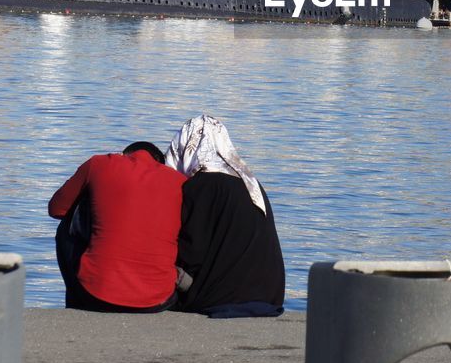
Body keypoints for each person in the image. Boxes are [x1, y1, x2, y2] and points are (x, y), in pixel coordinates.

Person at [166, 115, 285, 318]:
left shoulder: (202, 185)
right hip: (270, 295)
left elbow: (191, 251)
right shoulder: (251, 183)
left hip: (224, 296)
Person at [48, 141, 186, 313]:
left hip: (95, 295)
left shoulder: (99, 164)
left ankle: (76, 302)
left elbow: (56, 209)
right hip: (159, 300)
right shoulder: (180, 181)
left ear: (124, 154)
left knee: (66, 225)